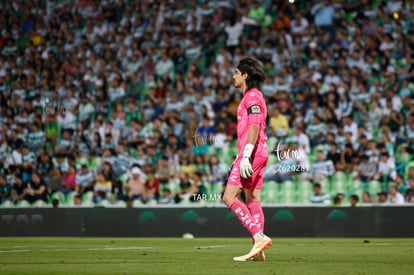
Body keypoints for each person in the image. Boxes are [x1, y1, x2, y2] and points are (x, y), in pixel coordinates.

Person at [221, 58, 271, 262]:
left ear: (245, 75)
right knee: (252, 199)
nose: (233, 76)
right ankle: (257, 250)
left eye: (236, 72)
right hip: (259, 153)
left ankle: (259, 237)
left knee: (228, 197)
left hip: (252, 154)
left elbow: (254, 127)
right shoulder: (255, 96)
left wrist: (245, 156)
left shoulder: (251, 97)